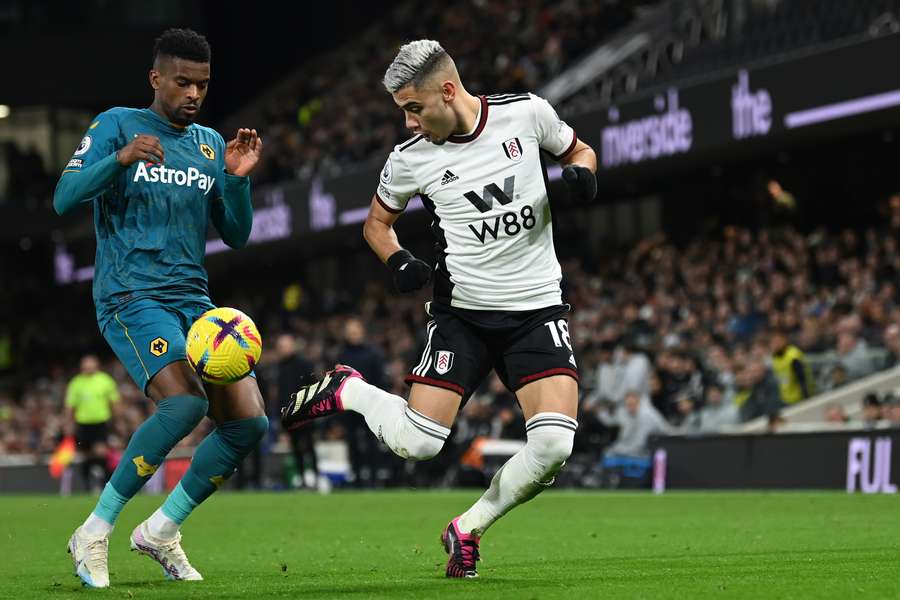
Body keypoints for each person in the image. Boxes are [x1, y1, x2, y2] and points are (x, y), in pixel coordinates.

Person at [282, 39, 597, 578]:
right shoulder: (410, 159)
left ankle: (467, 529)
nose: (407, 122)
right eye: (402, 110)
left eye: (413, 108)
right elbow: (375, 226)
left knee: (552, 445)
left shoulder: (527, 114)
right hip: (464, 317)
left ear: (448, 91)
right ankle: (349, 389)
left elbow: (580, 151)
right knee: (418, 444)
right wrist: (399, 261)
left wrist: (584, 175)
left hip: (536, 310)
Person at [53, 29, 265, 588]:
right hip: (130, 293)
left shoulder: (208, 144)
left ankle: (162, 529)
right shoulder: (117, 124)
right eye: (182, 82)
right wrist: (119, 160)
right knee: (184, 406)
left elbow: (237, 235)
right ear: (156, 79)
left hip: (193, 299)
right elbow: (63, 198)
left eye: (202, 84)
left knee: (248, 424)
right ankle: (94, 530)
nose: (194, 93)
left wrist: (238, 183)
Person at [65, 355, 120, 492]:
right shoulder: (76, 383)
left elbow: (114, 402)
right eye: (86, 365)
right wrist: (68, 423)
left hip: (100, 422)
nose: (88, 367)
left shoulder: (105, 380)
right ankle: (88, 484)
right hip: (83, 424)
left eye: (91, 364)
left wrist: (118, 420)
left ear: (96, 365)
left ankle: (104, 481)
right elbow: (70, 406)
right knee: (86, 455)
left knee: (101, 452)